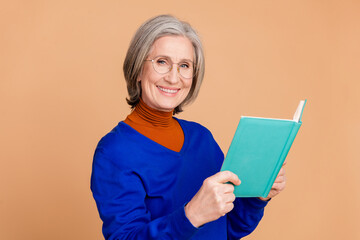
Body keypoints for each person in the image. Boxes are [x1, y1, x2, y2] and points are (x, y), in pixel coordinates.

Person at [90, 14, 286, 240]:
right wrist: (191, 215)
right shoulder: (114, 151)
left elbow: (228, 229)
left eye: (184, 65)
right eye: (161, 62)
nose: (174, 78)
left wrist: (258, 197)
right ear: (137, 70)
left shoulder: (201, 138)